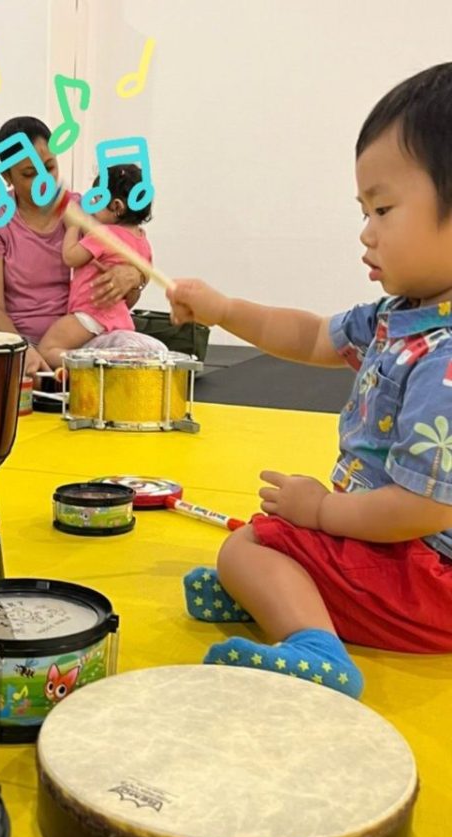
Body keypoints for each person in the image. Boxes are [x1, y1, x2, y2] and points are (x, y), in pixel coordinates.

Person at [168, 62, 452, 701]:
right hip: (399, 551)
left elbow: (427, 508)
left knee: (248, 545)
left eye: (383, 208)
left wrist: (323, 510)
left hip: (429, 576)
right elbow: (309, 335)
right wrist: (223, 309)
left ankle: (316, 645)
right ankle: (293, 588)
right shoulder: (398, 318)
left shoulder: (445, 356)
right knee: (263, 541)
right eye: (364, 210)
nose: (366, 230)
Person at [0, 116, 151, 376]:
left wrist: (136, 276)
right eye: (29, 174)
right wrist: (22, 348)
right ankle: (55, 373)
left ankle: (51, 373)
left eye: (49, 167)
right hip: (10, 343)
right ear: (7, 175)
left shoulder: (87, 210)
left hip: (75, 343)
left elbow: (130, 263)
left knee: (145, 348)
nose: (44, 181)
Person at [37, 165, 153, 369]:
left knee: (47, 349)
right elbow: (146, 274)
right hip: (120, 318)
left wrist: (73, 225)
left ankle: (89, 368)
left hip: (90, 315)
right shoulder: (142, 240)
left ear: (117, 207)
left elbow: (71, 257)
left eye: (97, 199)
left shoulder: (105, 234)